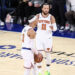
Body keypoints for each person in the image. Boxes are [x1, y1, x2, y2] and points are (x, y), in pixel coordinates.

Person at [29, 3, 57, 75]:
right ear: (42, 9)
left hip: (48, 38)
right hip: (39, 38)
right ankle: (39, 72)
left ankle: (47, 71)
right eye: (45, 8)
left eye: (47, 8)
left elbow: (55, 28)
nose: (46, 10)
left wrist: (52, 28)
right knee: (39, 55)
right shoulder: (37, 16)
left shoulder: (51, 17)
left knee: (48, 54)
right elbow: (31, 24)